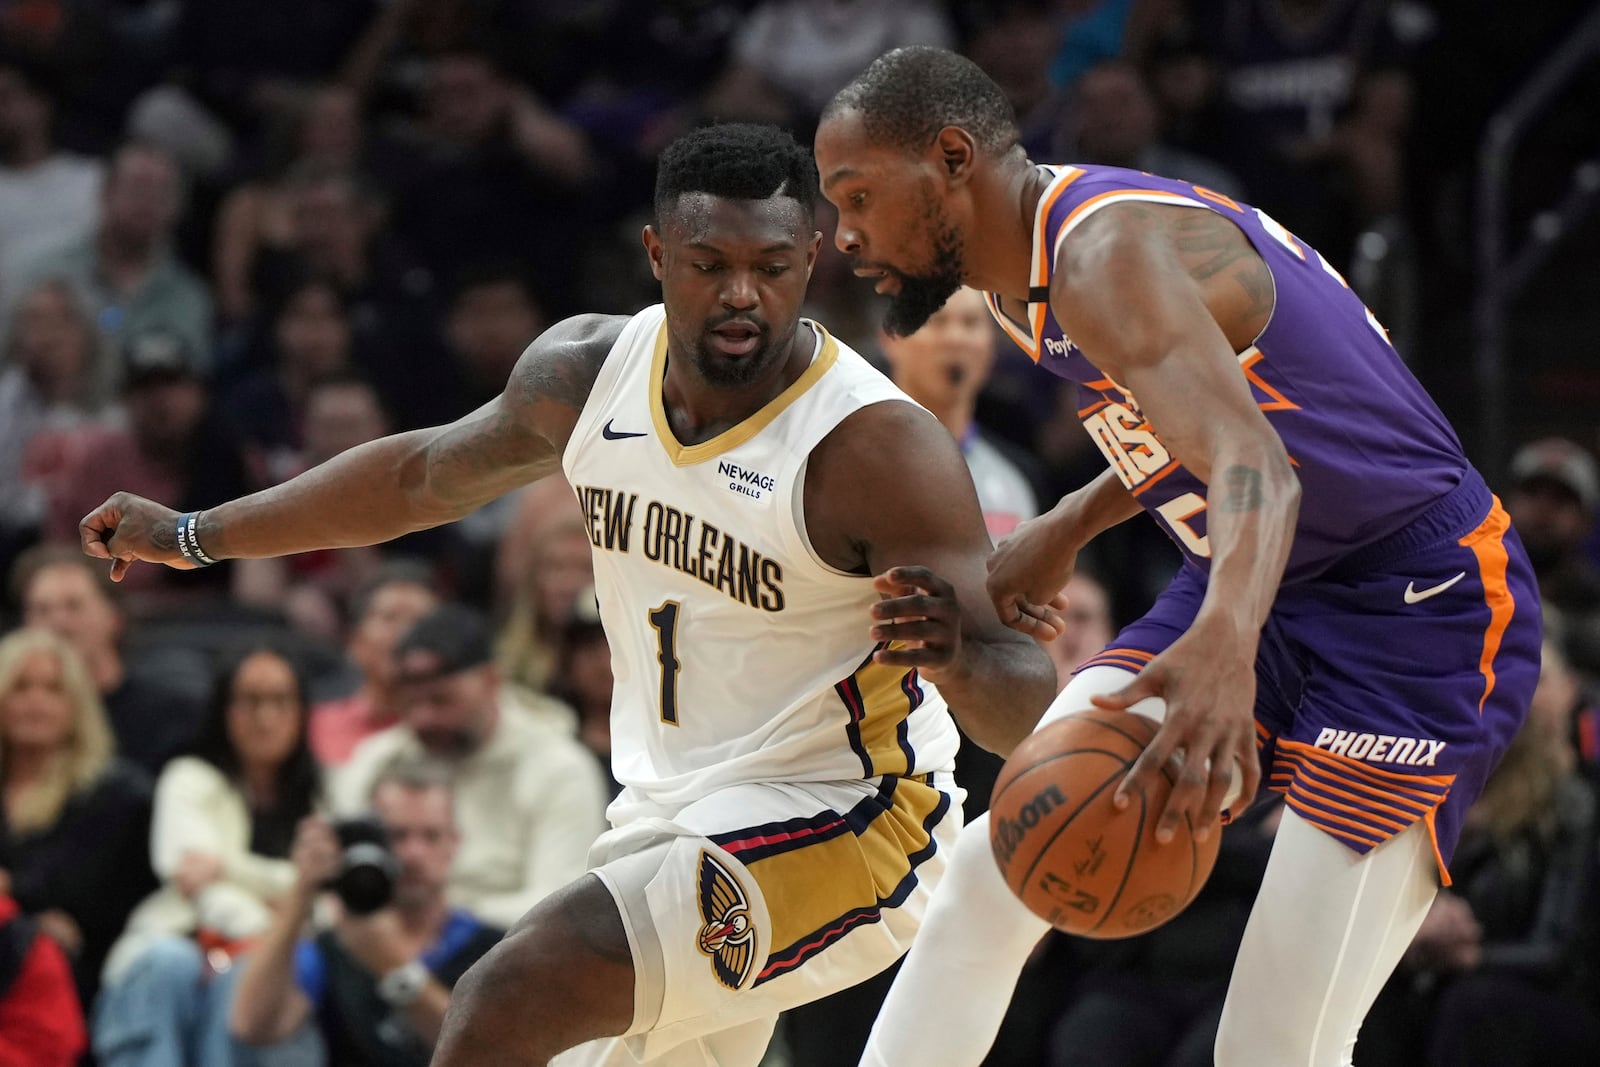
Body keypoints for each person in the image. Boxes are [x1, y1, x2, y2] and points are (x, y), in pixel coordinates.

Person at [77, 121, 1056, 1066]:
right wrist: (199, 534)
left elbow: (1020, 702)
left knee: (508, 994)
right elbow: (419, 475)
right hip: (670, 808)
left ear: (812, 255)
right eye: (708, 263)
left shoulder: (873, 446)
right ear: (655, 253)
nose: (741, 295)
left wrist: (959, 655)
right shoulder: (590, 374)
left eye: (769, 265)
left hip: (853, 817)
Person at [812, 45, 1542, 1067]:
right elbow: (1209, 420)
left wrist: (1224, 644)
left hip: (1412, 604)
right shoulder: (1021, 272)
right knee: (991, 873)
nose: (842, 235)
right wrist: (1067, 523)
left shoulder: (1097, 255)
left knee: (1273, 1043)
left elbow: (1257, 464)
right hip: (1253, 572)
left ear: (949, 159)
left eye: (857, 195)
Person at [93, 641, 324, 1067]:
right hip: (177, 943)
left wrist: (227, 867)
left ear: (302, 709)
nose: (265, 717)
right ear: (224, 709)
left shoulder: (325, 794)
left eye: (280, 700)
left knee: (252, 975)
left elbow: (330, 900)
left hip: (269, 974)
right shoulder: (188, 778)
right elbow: (193, 883)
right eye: (250, 701)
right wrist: (282, 909)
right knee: (169, 963)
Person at [330, 603, 607, 929]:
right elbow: (335, 892)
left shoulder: (560, 769)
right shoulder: (374, 762)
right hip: (381, 946)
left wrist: (439, 921)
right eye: (411, 701)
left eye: (441, 700)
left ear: (491, 682)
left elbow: (559, 910)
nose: (423, 718)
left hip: (506, 956)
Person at [231, 759, 505, 1067]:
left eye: (431, 836)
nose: (414, 854)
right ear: (372, 840)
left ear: (454, 843)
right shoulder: (336, 946)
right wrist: (301, 892)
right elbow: (251, 1026)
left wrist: (393, 967)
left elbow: (496, 1058)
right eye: (398, 836)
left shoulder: (493, 948)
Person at [0, 627, 155, 1009]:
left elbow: (81, 895)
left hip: (86, 975)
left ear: (78, 704)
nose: (35, 702)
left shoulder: (116, 791)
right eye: (20, 687)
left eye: (53, 689)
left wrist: (10, 892)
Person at [14, 545, 205, 775]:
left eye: (74, 606)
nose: (59, 624)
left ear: (114, 617)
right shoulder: (16, 718)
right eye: (42, 610)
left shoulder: (171, 716)